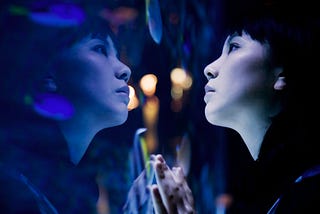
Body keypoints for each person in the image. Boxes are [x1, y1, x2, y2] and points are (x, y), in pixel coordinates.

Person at [149, 0, 320, 213]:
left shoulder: (309, 190)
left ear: (282, 72)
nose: (209, 69)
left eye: (234, 47)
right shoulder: (277, 189)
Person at [0, 1, 131, 213]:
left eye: (117, 55)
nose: (125, 69)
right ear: (48, 69)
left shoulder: (66, 192)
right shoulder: (12, 190)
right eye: (100, 49)